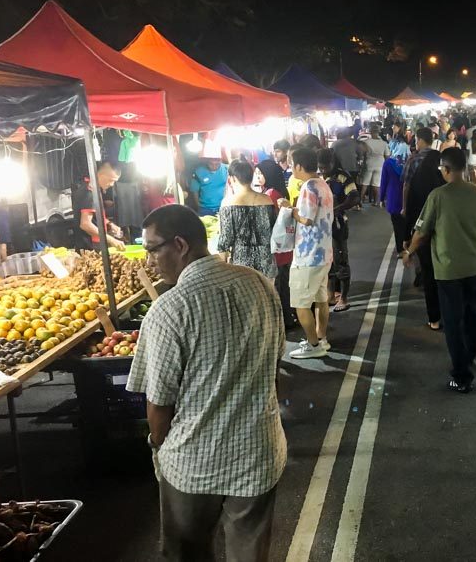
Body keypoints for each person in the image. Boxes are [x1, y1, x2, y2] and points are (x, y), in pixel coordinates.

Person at [127, 204, 286, 562]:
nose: (149, 260)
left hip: (193, 463)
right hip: (258, 452)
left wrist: (158, 448)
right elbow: (274, 369)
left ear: (179, 245)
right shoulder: (259, 284)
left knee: (187, 552)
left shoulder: (169, 310)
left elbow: (158, 405)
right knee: (250, 554)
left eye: (153, 249)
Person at [403, 148, 476, 393]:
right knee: (471, 313)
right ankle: (470, 356)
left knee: (452, 322)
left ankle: (461, 375)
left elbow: (421, 233)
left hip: (447, 272)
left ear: (445, 169)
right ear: (465, 168)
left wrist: (409, 252)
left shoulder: (437, 196)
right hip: (475, 268)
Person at [278, 147, 334, 359]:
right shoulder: (322, 184)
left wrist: (288, 208)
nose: (291, 168)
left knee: (301, 304)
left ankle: (313, 345)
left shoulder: (309, 187)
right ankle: (321, 338)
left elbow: (306, 218)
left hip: (308, 255)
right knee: (320, 299)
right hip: (324, 253)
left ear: (299, 166)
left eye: (292, 164)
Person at [405, 141, 445, 330]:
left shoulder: (418, 178)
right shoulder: (440, 181)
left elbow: (411, 208)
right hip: (441, 233)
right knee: (442, 275)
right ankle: (447, 312)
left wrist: (408, 238)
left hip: (421, 232)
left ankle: (434, 318)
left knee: (429, 275)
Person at [218, 160, 277, 282]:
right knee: (267, 298)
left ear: (232, 179)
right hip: (266, 262)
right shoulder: (267, 199)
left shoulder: (228, 203)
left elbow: (225, 240)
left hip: (242, 265)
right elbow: (274, 230)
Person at [255, 159, 296, 330]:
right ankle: (289, 317)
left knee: (279, 287)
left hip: (276, 249)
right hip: (285, 248)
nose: (257, 177)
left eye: (260, 173)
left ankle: (284, 321)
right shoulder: (280, 191)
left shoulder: (270, 194)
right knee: (285, 286)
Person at [319, 148, 360, 312]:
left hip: (338, 225)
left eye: (325, 167)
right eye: (320, 167)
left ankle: (343, 297)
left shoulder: (343, 176)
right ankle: (330, 294)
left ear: (333, 162)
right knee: (327, 261)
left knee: (340, 259)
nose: (323, 170)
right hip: (321, 226)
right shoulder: (318, 176)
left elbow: (354, 197)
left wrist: (339, 208)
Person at [73, 161, 125, 250]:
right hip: (89, 246)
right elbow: (85, 224)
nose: (112, 184)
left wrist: (109, 224)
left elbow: (95, 216)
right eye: (111, 180)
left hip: (94, 243)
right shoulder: (89, 192)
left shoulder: (94, 189)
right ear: (101, 175)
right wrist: (112, 240)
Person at [401, 128, 437, 220]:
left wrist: (404, 208)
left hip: (417, 202)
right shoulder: (439, 157)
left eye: (416, 140)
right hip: (436, 202)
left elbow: (406, 185)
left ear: (420, 140)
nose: (415, 143)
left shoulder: (414, 159)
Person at [380, 155, 407, 256]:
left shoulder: (388, 163)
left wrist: (381, 198)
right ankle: (408, 247)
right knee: (407, 224)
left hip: (393, 197)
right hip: (408, 197)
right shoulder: (410, 160)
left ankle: (400, 250)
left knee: (397, 226)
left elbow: (384, 181)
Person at [360, 125, 390, 207]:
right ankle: (376, 201)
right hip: (380, 164)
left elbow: (363, 153)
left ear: (371, 132)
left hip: (369, 163)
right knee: (376, 184)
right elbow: (387, 156)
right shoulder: (384, 143)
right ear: (378, 132)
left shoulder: (366, 142)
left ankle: (361, 201)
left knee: (365, 183)